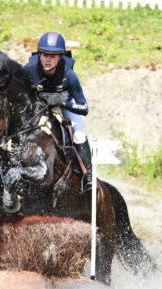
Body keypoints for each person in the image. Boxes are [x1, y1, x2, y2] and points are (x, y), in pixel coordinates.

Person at [24, 31, 92, 193]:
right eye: (44, 54)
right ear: (39, 54)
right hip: (39, 106)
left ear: (60, 56)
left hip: (65, 105)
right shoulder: (29, 70)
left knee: (78, 134)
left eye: (53, 56)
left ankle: (88, 175)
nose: (48, 59)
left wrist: (62, 102)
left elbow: (84, 108)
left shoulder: (69, 75)